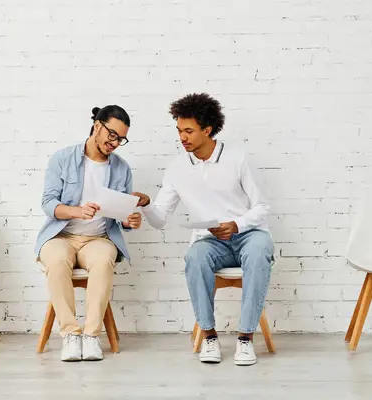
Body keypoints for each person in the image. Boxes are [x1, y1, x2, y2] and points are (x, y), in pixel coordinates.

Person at [133, 93, 274, 366]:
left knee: (259, 253)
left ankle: (245, 340)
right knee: (194, 257)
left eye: (188, 131)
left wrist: (237, 224)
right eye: (179, 131)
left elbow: (262, 207)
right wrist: (148, 204)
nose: (182, 137)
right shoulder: (176, 168)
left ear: (207, 130)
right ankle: (209, 337)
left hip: (249, 235)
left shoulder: (237, 158)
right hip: (211, 242)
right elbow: (160, 219)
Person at [35, 105, 141, 362]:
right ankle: (71, 335)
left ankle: (92, 336)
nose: (115, 143)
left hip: (99, 238)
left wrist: (130, 220)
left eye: (121, 139)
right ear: (97, 126)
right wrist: (75, 211)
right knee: (57, 260)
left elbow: (120, 214)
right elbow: (48, 204)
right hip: (61, 236)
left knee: (104, 260)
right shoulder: (63, 158)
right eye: (112, 135)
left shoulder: (122, 168)